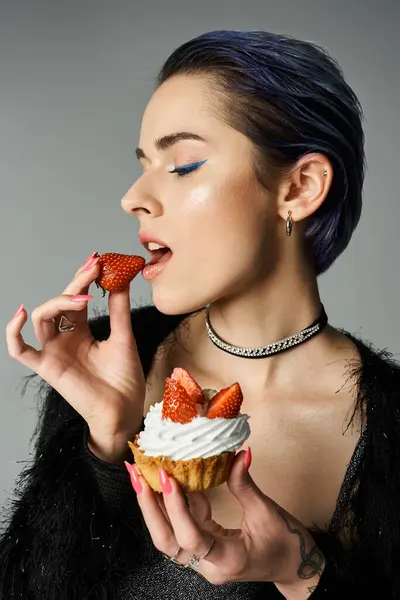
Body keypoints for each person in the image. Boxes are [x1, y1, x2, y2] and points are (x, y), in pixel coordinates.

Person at [1, 29, 399, 600]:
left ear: (300, 187)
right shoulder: (109, 359)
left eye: (183, 165)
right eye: (143, 164)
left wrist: (301, 571)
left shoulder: (388, 429)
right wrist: (107, 445)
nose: (132, 196)